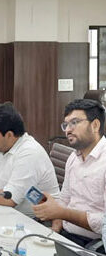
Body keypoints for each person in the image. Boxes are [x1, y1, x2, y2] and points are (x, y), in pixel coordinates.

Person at [33, 99, 106, 248]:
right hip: (66, 234)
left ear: (95, 125)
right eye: (65, 125)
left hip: (93, 245)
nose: (68, 130)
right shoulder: (73, 157)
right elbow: (65, 198)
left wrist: (62, 213)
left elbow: (104, 222)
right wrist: (55, 227)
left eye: (74, 123)